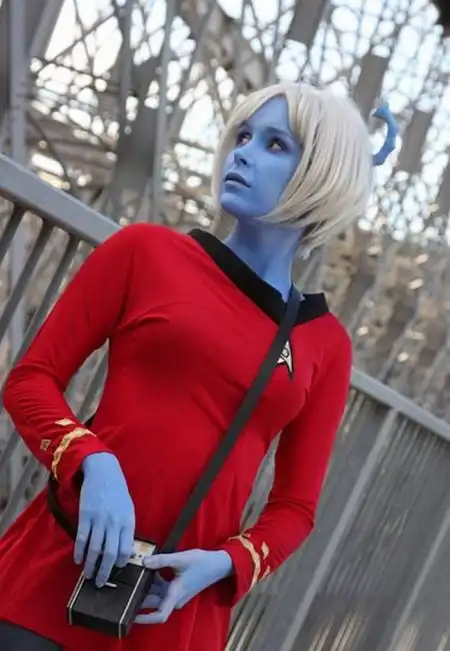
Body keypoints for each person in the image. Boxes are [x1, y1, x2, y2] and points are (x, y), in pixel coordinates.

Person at [0, 81, 396, 651]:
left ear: (321, 175)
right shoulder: (145, 252)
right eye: (243, 136)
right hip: (54, 572)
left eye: (275, 144)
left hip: (177, 613)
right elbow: (30, 380)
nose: (243, 153)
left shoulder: (324, 344)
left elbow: (296, 507)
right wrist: (92, 461)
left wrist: (227, 563)